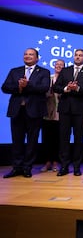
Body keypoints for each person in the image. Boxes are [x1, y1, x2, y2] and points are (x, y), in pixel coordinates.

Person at [2, 48, 50, 178]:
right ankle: (17, 167)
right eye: (26, 54)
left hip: (34, 111)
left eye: (31, 54)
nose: (27, 56)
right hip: (17, 110)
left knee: (32, 141)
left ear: (37, 58)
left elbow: (44, 88)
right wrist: (18, 87)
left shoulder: (44, 72)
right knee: (17, 140)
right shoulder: (15, 71)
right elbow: (5, 87)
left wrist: (26, 86)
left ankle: (27, 167)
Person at [53, 48, 83, 176]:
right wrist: (66, 88)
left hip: (80, 110)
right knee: (64, 138)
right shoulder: (65, 70)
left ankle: (77, 166)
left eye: (80, 55)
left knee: (78, 139)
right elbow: (56, 87)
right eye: (76, 55)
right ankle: (64, 166)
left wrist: (77, 88)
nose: (77, 57)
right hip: (65, 109)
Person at [41, 59, 65, 172]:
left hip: (60, 113)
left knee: (58, 139)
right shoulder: (48, 78)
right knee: (47, 138)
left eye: (61, 65)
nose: (59, 66)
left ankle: (56, 162)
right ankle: (47, 162)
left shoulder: (65, 80)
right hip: (47, 112)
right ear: (54, 65)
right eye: (57, 64)